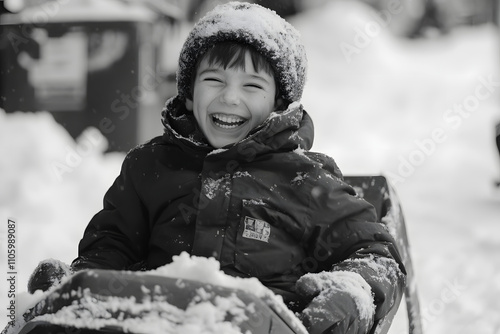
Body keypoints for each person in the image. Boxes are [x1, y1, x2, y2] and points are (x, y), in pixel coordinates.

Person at [28, 2, 406, 333]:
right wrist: (80, 283)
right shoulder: (151, 166)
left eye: (252, 85)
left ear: (279, 103)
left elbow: (375, 253)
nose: (229, 96)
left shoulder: (302, 179)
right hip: (155, 321)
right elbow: (113, 243)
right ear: (190, 94)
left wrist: (352, 289)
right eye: (214, 80)